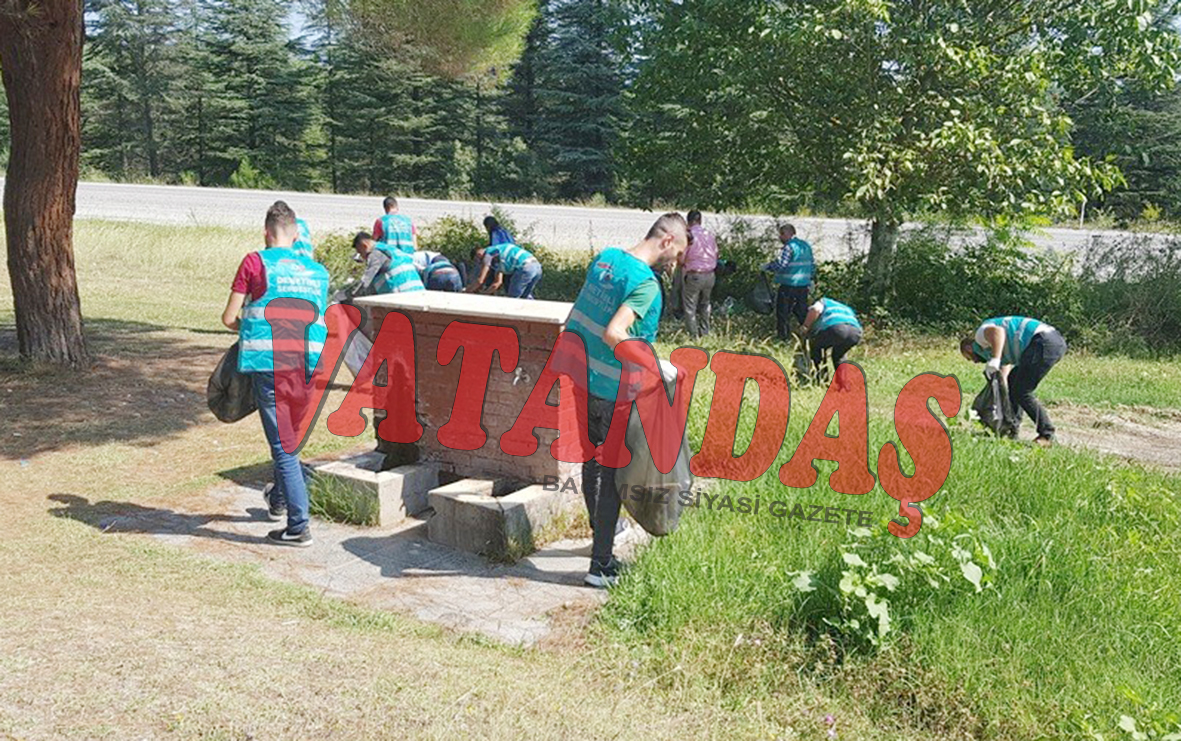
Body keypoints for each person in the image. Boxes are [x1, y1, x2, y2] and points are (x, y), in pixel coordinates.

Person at [565, 212, 690, 588]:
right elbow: (614, 332)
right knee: (614, 472)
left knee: (593, 460)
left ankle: (599, 532)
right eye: (679, 253)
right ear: (667, 240)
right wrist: (658, 364)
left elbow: (584, 316)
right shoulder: (646, 284)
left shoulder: (606, 259)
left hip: (582, 377)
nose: (677, 264)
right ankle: (600, 566)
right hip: (614, 389)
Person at [220, 202, 329, 547]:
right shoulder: (317, 271)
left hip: (272, 366)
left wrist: (248, 330)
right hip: (309, 365)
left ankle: (299, 526)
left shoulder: (255, 262)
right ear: (296, 234)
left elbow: (228, 317)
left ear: (266, 232)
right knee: (291, 441)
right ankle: (279, 501)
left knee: (283, 449)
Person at [960, 316, 1067, 447]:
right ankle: (1011, 430)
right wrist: (1000, 386)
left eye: (969, 358)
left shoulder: (981, 335)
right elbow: (1004, 375)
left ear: (968, 348)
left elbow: (998, 331)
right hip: (1049, 342)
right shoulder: (994, 348)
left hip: (1043, 341)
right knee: (1014, 382)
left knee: (1022, 391)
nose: (975, 362)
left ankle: (1047, 434)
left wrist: (995, 359)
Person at [763, 224, 815, 340]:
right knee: (801, 312)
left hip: (788, 285)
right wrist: (811, 279)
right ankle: (807, 337)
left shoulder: (789, 247)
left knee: (783, 313)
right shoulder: (805, 246)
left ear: (790, 234)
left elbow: (781, 265)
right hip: (803, 285)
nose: (780, 237)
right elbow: (812, 264)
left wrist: (768, 267)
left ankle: (783, 338)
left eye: (782, 234)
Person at [798, 297, 862, 385]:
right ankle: (843, 384)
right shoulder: (845, 308)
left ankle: (821, 379)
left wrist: (805, 327)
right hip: (855, 332)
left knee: (816, 347)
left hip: (836, 328)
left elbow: (815, 309)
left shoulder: (823, 301)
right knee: (839, 355)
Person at [347, 231, 425, 297]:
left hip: (402, 294)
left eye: (360, 252)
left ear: (364, 246)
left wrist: (349, 294)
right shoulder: (389, 250)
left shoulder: (375, 254)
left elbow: (366, 280)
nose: (363, 257)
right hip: (419, 292)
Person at [681, 210, 717, 337]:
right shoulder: (709, 234)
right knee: (705, 303)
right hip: (710, 274)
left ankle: (693, 335)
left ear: (688, 221)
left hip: (695, 274)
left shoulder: (689, 235)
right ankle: (705, 331)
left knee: (690, 306)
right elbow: (716, 253)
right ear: (700, 220)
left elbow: (682, 257)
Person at [468, 241, 543, 299]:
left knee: (512, 299)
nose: (480, 263)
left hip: (525, 267)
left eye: (477, 261)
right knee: (525, 297)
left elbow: (480, 280)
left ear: (478, 255)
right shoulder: (497, 255)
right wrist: (484, 294)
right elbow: (497, 283)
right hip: (537, 266)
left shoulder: (488, 254)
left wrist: (466, 292)